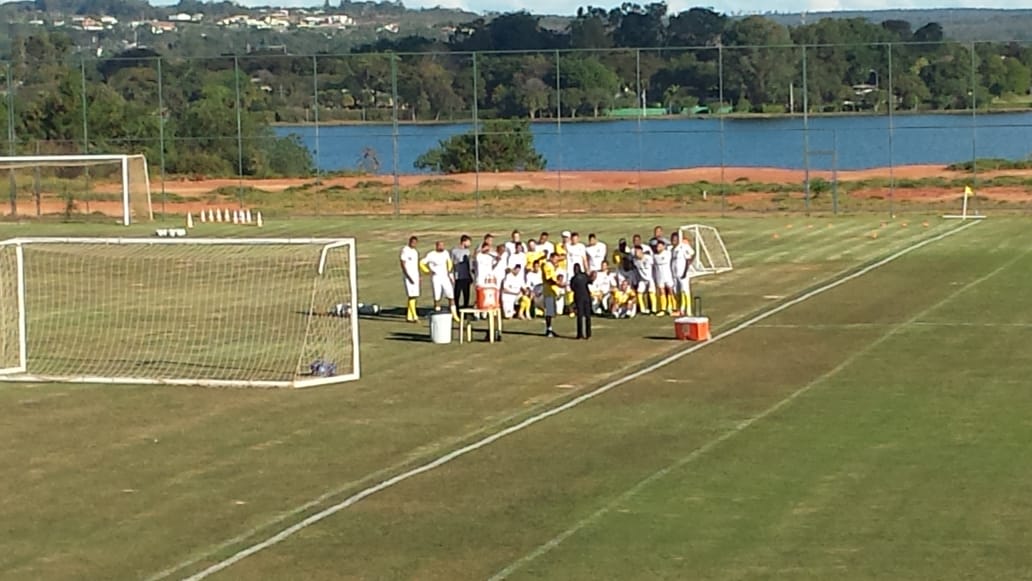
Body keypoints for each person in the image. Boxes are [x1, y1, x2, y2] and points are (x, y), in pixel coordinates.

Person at [420, 240, 459, 321]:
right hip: (436, 277)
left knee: (451, 295)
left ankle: (454, 315)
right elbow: (422, 262)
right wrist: (427, 271)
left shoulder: (445, 253)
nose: (442, 247)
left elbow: (449, 262)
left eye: (443, 245)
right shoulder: (431, 255)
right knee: (437, 296)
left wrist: (449, 271)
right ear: (436, 246)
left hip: (445, 277)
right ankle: (437, 312)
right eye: (440, 245)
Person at [671, 231, 697, 315]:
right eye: (673, 239)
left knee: (685, 290)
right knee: (677, 291)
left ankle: (688, 310)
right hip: (675, 274)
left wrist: (685, 270)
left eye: (675, 239)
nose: (674, 241)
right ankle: (681, 309)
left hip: (683, 273)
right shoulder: (672, 249)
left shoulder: (683, 247)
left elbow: (691, 255)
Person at [541, 252, 564, 337]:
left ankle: (550, 329)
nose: (556, 261)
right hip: (548, 291)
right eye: (555, 259)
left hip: (552, 291)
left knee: (552, 312)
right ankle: (548, 330)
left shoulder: (552, 267)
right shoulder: (547, 266)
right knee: (549, 311)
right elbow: (549, 279)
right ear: (551, 258)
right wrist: (558, 284)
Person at [399, 235, 421, 323]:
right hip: (408, 276)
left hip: (415, 275)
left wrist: (418, 276)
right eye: (413, 242)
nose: (414, 244)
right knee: (411, 295)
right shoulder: (405, 250)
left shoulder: (415, 252)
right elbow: (402, 263)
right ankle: (414, 316)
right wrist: (407, 276)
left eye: (416, 243)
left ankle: (409, 316)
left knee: (414, 295)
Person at [569, 263, 594, 340]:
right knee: (587, 316)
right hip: (586, 297)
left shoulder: (573, 279)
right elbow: (590, 281)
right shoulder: (584, 276)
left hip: (579, 297)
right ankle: (588, 334)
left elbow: (572, 288)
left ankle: (580, 334)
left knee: (580, 316)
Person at [652, 239, 675, 316]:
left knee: (670, 290)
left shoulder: (668, 253)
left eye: (659, 246)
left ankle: (672, 307)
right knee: (662, 291)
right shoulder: (654, 256)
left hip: (668, 275)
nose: (658, 247)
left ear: (663, 247)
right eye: (657, 246)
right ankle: (663, 309)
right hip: (659, 276)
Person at [451, 234, 473, 310]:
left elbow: (468, 264)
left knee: (466, 294)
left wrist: (470, 275)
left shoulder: (467, 251)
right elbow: (451, 263)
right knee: (457, 294)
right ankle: (456, 309)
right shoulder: (454, 251)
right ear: (464, 241)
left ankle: (465, 308)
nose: (470, 244)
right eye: (469, 242)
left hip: (466, 276)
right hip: (458, 276)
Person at [634, 245, 656, 315]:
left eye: (637, 251)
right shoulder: (635, 260)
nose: (636, 253)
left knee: (651, 293)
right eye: (635, 251)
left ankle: (653, 309)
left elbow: (654, 266)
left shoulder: (648, 258)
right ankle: (642, 309)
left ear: (641, 251)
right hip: (642, 279)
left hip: (650, 278)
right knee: (639, 293)